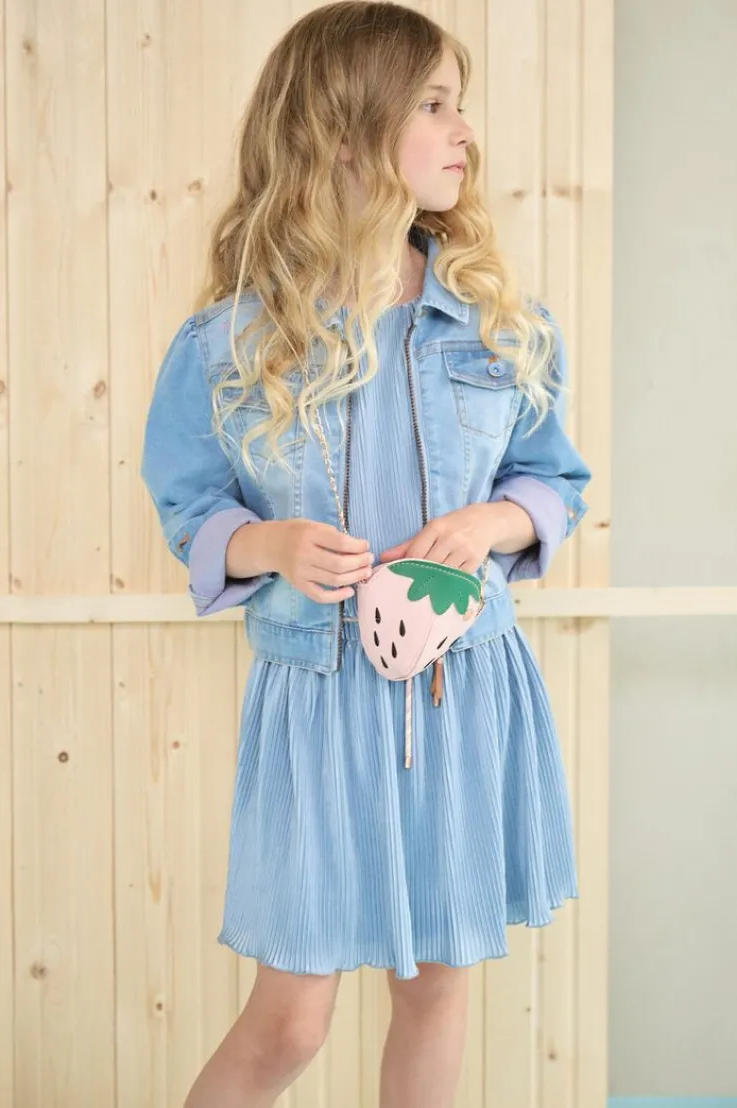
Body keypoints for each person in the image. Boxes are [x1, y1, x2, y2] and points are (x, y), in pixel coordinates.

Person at [140, 3, 592, 1106]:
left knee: (435, 990)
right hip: (320, 698)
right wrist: (270, 543)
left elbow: (552, 483)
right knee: (291, 1019)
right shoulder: (229, 343)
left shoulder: (500, 328)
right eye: (433, 105)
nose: (464, 130)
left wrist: (490, 525)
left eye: (460, 104)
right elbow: (191, 506)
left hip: (462, 689)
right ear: (344, 132)